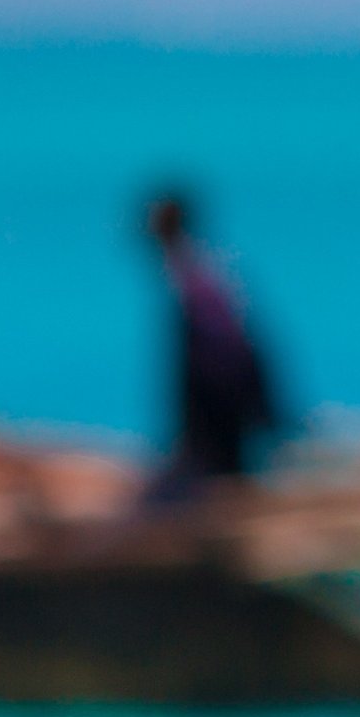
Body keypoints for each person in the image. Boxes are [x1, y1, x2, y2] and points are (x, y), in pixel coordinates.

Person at [139, 185, 292, 493]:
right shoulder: (202, 271)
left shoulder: (194, 279)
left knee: (211, 486)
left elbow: (223, 354)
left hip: (219, 410)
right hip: (222, 409)